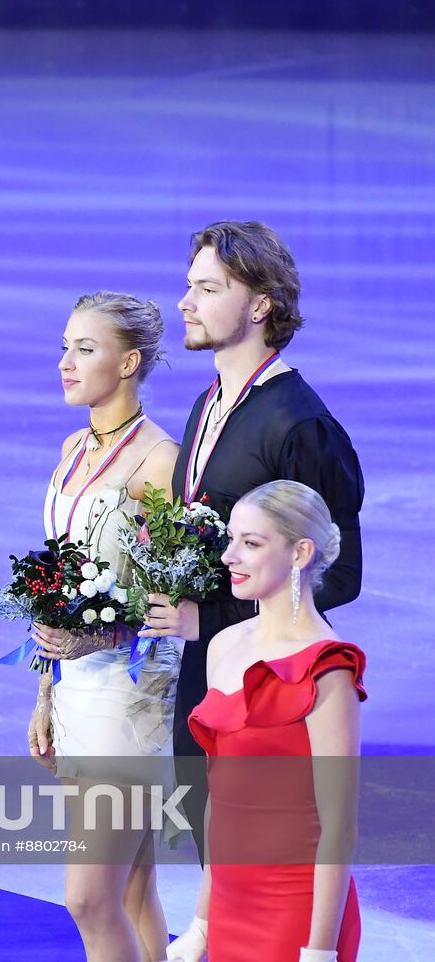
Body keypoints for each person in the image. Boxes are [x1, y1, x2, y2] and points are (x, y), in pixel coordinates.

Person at [142, 222, 364, 857]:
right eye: (190, 286)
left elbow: (337, 576)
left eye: (208, 289)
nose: (185, 303)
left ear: (260, 305)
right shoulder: (209, 403)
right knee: (217, 872)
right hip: (210, 678)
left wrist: (207, 618)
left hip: (269, 698)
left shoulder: (301, 425)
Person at [29, 292, 180, 961]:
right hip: (75, 686)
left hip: (130, 691)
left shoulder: (160, 462)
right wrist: (43, 693)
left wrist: (98, 638)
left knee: (88, 897)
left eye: (84, 349)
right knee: (132, 892)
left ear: (129, 363)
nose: (66, 362)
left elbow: (176, 595)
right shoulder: (72, 446)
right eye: (66, 346)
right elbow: (55, 579)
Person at [176, 480, 364, 962]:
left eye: (251, 543)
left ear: (300, 552)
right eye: (232, 539)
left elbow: (338, 825)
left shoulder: (328, 670)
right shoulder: (222, 647)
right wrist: (202, 922)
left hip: (297, 913)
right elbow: (221, 799)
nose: (228, 557)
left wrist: (318, 951)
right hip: (229, 907)